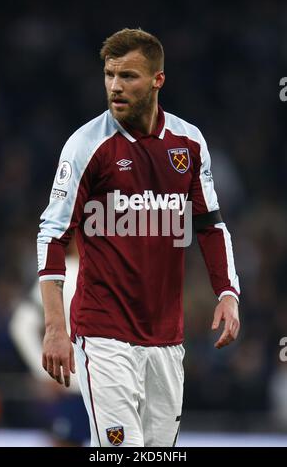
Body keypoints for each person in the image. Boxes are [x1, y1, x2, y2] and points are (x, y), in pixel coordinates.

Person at [37, 28, 240, 447]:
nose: (115, 86)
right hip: (103, 332)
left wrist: (227, 291)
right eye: (109, 75)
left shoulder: (188, 142)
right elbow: (52, 235)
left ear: (157, 80)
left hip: (166, 337)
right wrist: (55, 327)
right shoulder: (85, 146)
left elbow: (211, 225)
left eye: (128, 76)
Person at [10, 240, 90, 446]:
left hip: (83, 386)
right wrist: (46, 371)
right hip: (87, 387)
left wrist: (45, 372)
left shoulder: (62, 275)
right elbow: (22, 325)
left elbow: (21, 325)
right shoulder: (66, 274)